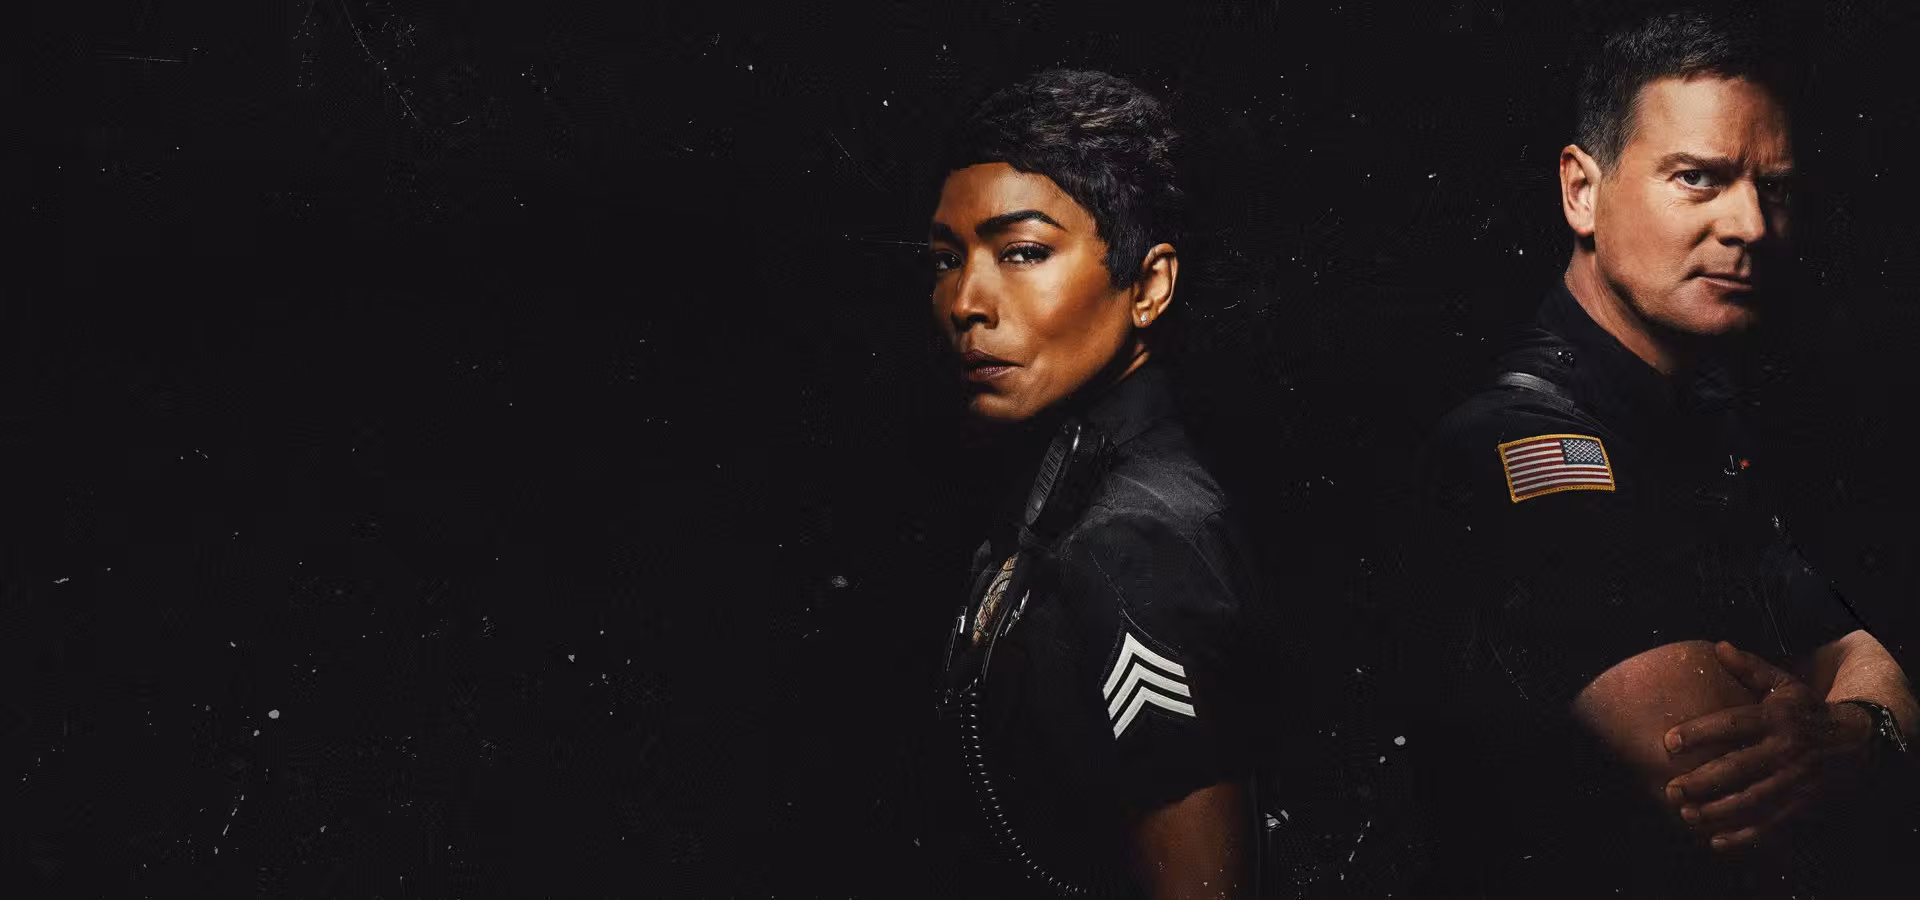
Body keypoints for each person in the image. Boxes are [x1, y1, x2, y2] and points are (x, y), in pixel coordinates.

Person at [1410, 7, 1918, 897]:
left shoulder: (1704, 416)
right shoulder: (1521, 443)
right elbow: (1738, 799)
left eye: (1775, 189)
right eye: (1698, 179)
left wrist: (1855, 732)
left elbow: (1856, 649)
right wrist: (1867, 730)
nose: (1751, 225)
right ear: (1581, 191)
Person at [924, 69, 1266, 899]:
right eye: (946, 260)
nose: (966, 300)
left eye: (1022, 252)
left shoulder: (1137, 538)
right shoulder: (1064, 493)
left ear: (1148, 287)